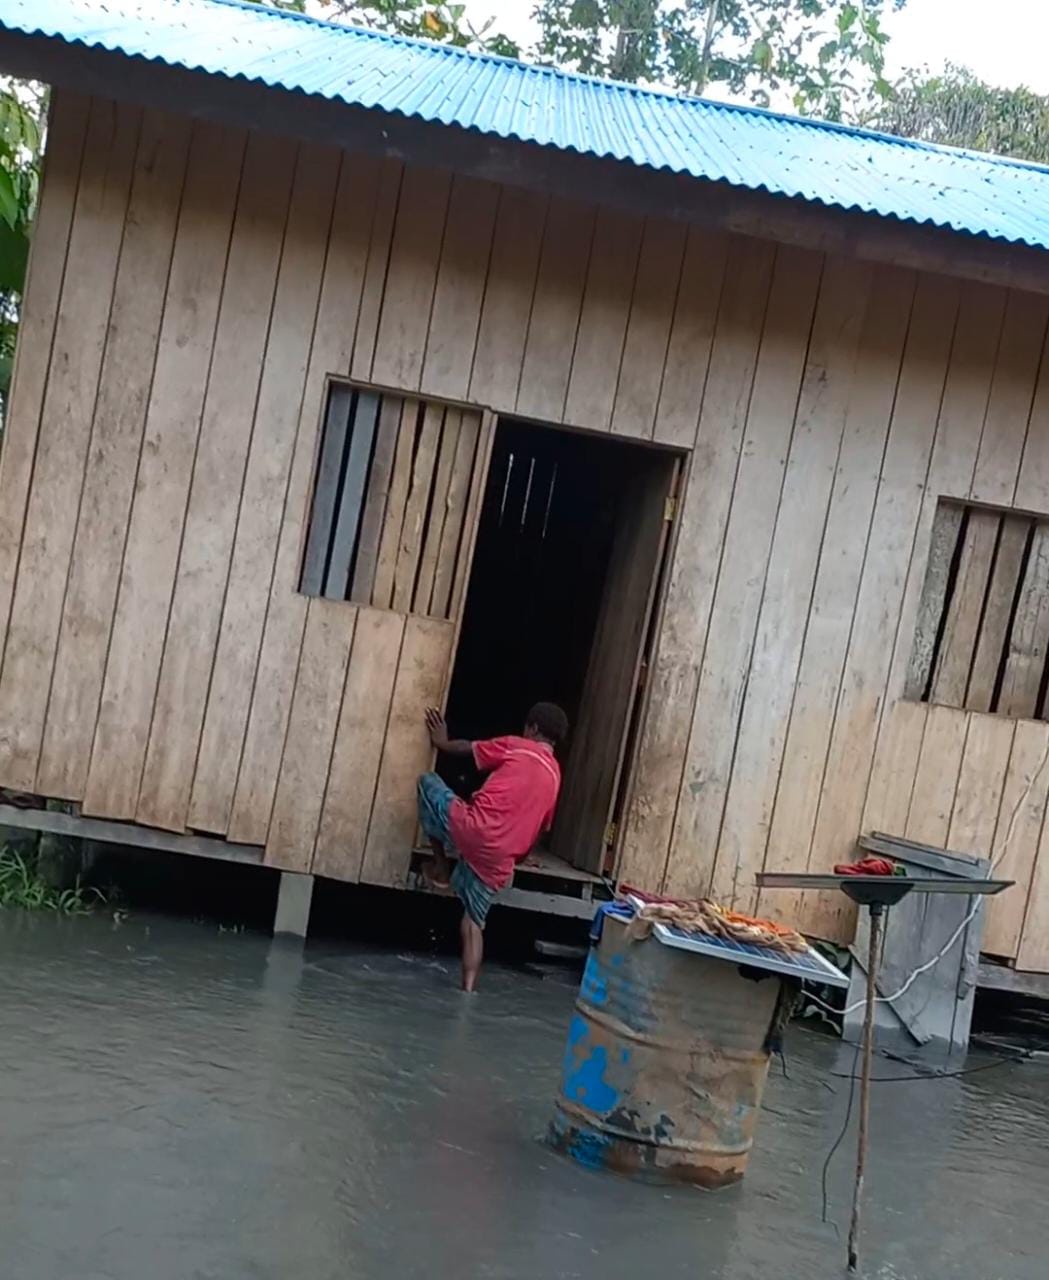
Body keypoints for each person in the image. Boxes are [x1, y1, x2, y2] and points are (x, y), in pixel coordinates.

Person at [417, 702, 568, 992]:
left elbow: (469, 748)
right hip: (500, 856)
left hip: (473, 828)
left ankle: (440, 867)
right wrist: (518, 858)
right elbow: (539, 827)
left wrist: (442, 742)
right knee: (473, 923)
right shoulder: (555, 775)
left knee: (427, 784)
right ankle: (468, 991)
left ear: (533, 728)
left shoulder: (517, 746)